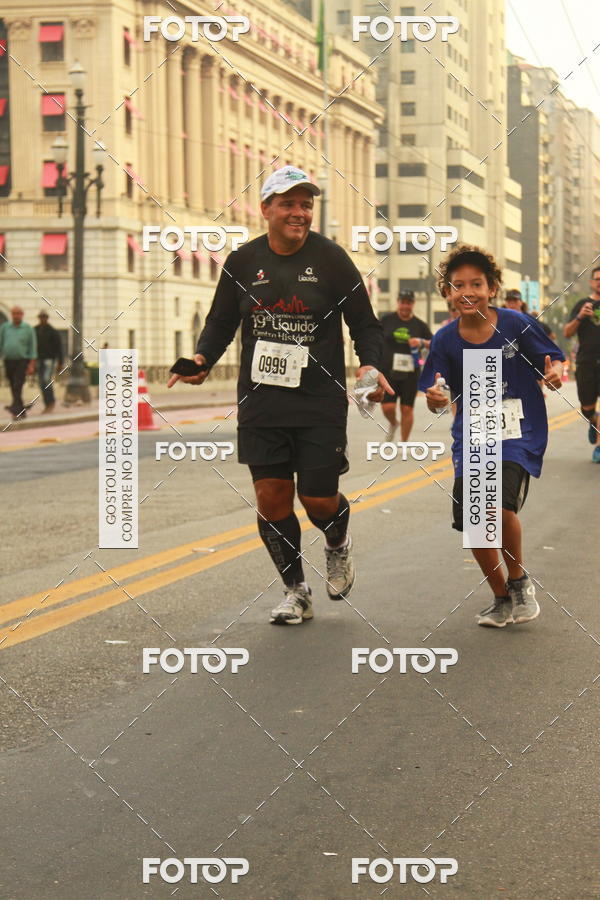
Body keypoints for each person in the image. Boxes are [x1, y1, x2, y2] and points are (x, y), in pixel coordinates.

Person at [168, 165, 390, 625]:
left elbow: (365, 324)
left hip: (318, 400)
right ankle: (296, 591)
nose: (299, 212)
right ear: (266, 209)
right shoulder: (242, 262)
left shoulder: (331, 260)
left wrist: (369, 363)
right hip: (261, 401)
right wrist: (202, 358)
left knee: (318, 499)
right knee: (271, 499)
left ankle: (336, 543)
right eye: (288, 204)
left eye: (306, 205)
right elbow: (221, 322)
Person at [420, 245, 564, 628]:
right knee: (475, 520)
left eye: (477, 284)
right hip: (473, 436)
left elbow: (553, 359)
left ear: (492, 288)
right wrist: (436, 399)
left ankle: (519, 581)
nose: (468, 292)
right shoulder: (445, 340)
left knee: (496, 508)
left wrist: (554, 372)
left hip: (517, 431)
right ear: (447, 292)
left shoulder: (516, 324)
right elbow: (436, 392)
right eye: (458, 285)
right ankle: (501, 597)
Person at [380, 290, 432, 441]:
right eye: (403, 302)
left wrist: (421, 342)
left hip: (410, 373)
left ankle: (404, 443)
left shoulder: (420, 325)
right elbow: (374, 338)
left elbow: (434, 343)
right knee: (387, 407)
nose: (405, 306)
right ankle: (394, 423)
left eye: (408, 303)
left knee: (407, 409)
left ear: (413, 304)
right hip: (388, 371)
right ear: (398, 302)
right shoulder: (386, 320)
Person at [563, 268, 600, 462]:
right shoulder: (582, 305)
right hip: (586, 362)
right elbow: (567, 333)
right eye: (597, 279)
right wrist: (580, 316)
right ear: (591, 282)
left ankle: (599, 446)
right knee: (587, 408)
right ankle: (593, 420)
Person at [0, 306, 37, 420]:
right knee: (13, 385)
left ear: (22, 315)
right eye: (14, 313)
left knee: (18, 385)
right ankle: (21, 410)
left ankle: (15, 412)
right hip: (8, 360)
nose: (16, 316)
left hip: (22, 361)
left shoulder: (28, 329)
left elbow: (32, 347)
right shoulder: (5, 328)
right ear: (11, 315)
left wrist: (31, 365)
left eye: (18, 313)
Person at [34, 311, 64, 413]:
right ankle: (47, 403)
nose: (42, 319)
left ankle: (50, 402)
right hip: (38, 359)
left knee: (46, 381)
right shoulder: (35, 330)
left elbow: (59, 348)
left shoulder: (52, 331)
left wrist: (60, 362)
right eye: (41, 317)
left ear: (47, 318)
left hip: (49, 359)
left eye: (44, 317)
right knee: (40, 382)